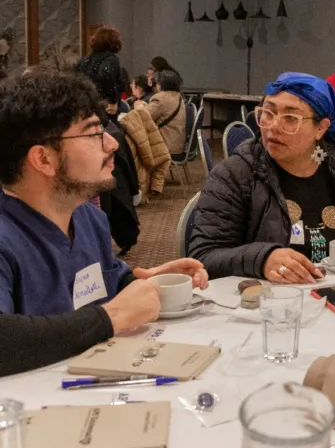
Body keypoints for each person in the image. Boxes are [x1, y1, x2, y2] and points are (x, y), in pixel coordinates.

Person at [0, 69, 208, 376]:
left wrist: (144, 283)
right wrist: (111, 317)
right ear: (43, 159)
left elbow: (107, 281)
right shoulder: (7, 236)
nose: (112, 144)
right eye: (93, 133)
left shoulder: (88, 218)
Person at [189, 72, 335, 282]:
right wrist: (262, 259)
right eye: (268, 113)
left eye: (290, 118)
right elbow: (203, 257)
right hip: (264, 298)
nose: (273, 126)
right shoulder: (235, 175)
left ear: (321, 128)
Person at [76, 26, 125, 117]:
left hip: (85, 107)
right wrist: (112, 101)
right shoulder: (111, 59)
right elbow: (105, 75)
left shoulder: (84, 60)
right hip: (105, 108)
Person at [134, 70, 186, 155]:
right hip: (177, 146)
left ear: (161, 84)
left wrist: (138, 106)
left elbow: (143, 117)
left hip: (165, 149)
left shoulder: (160, 98)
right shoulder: (178, 96)